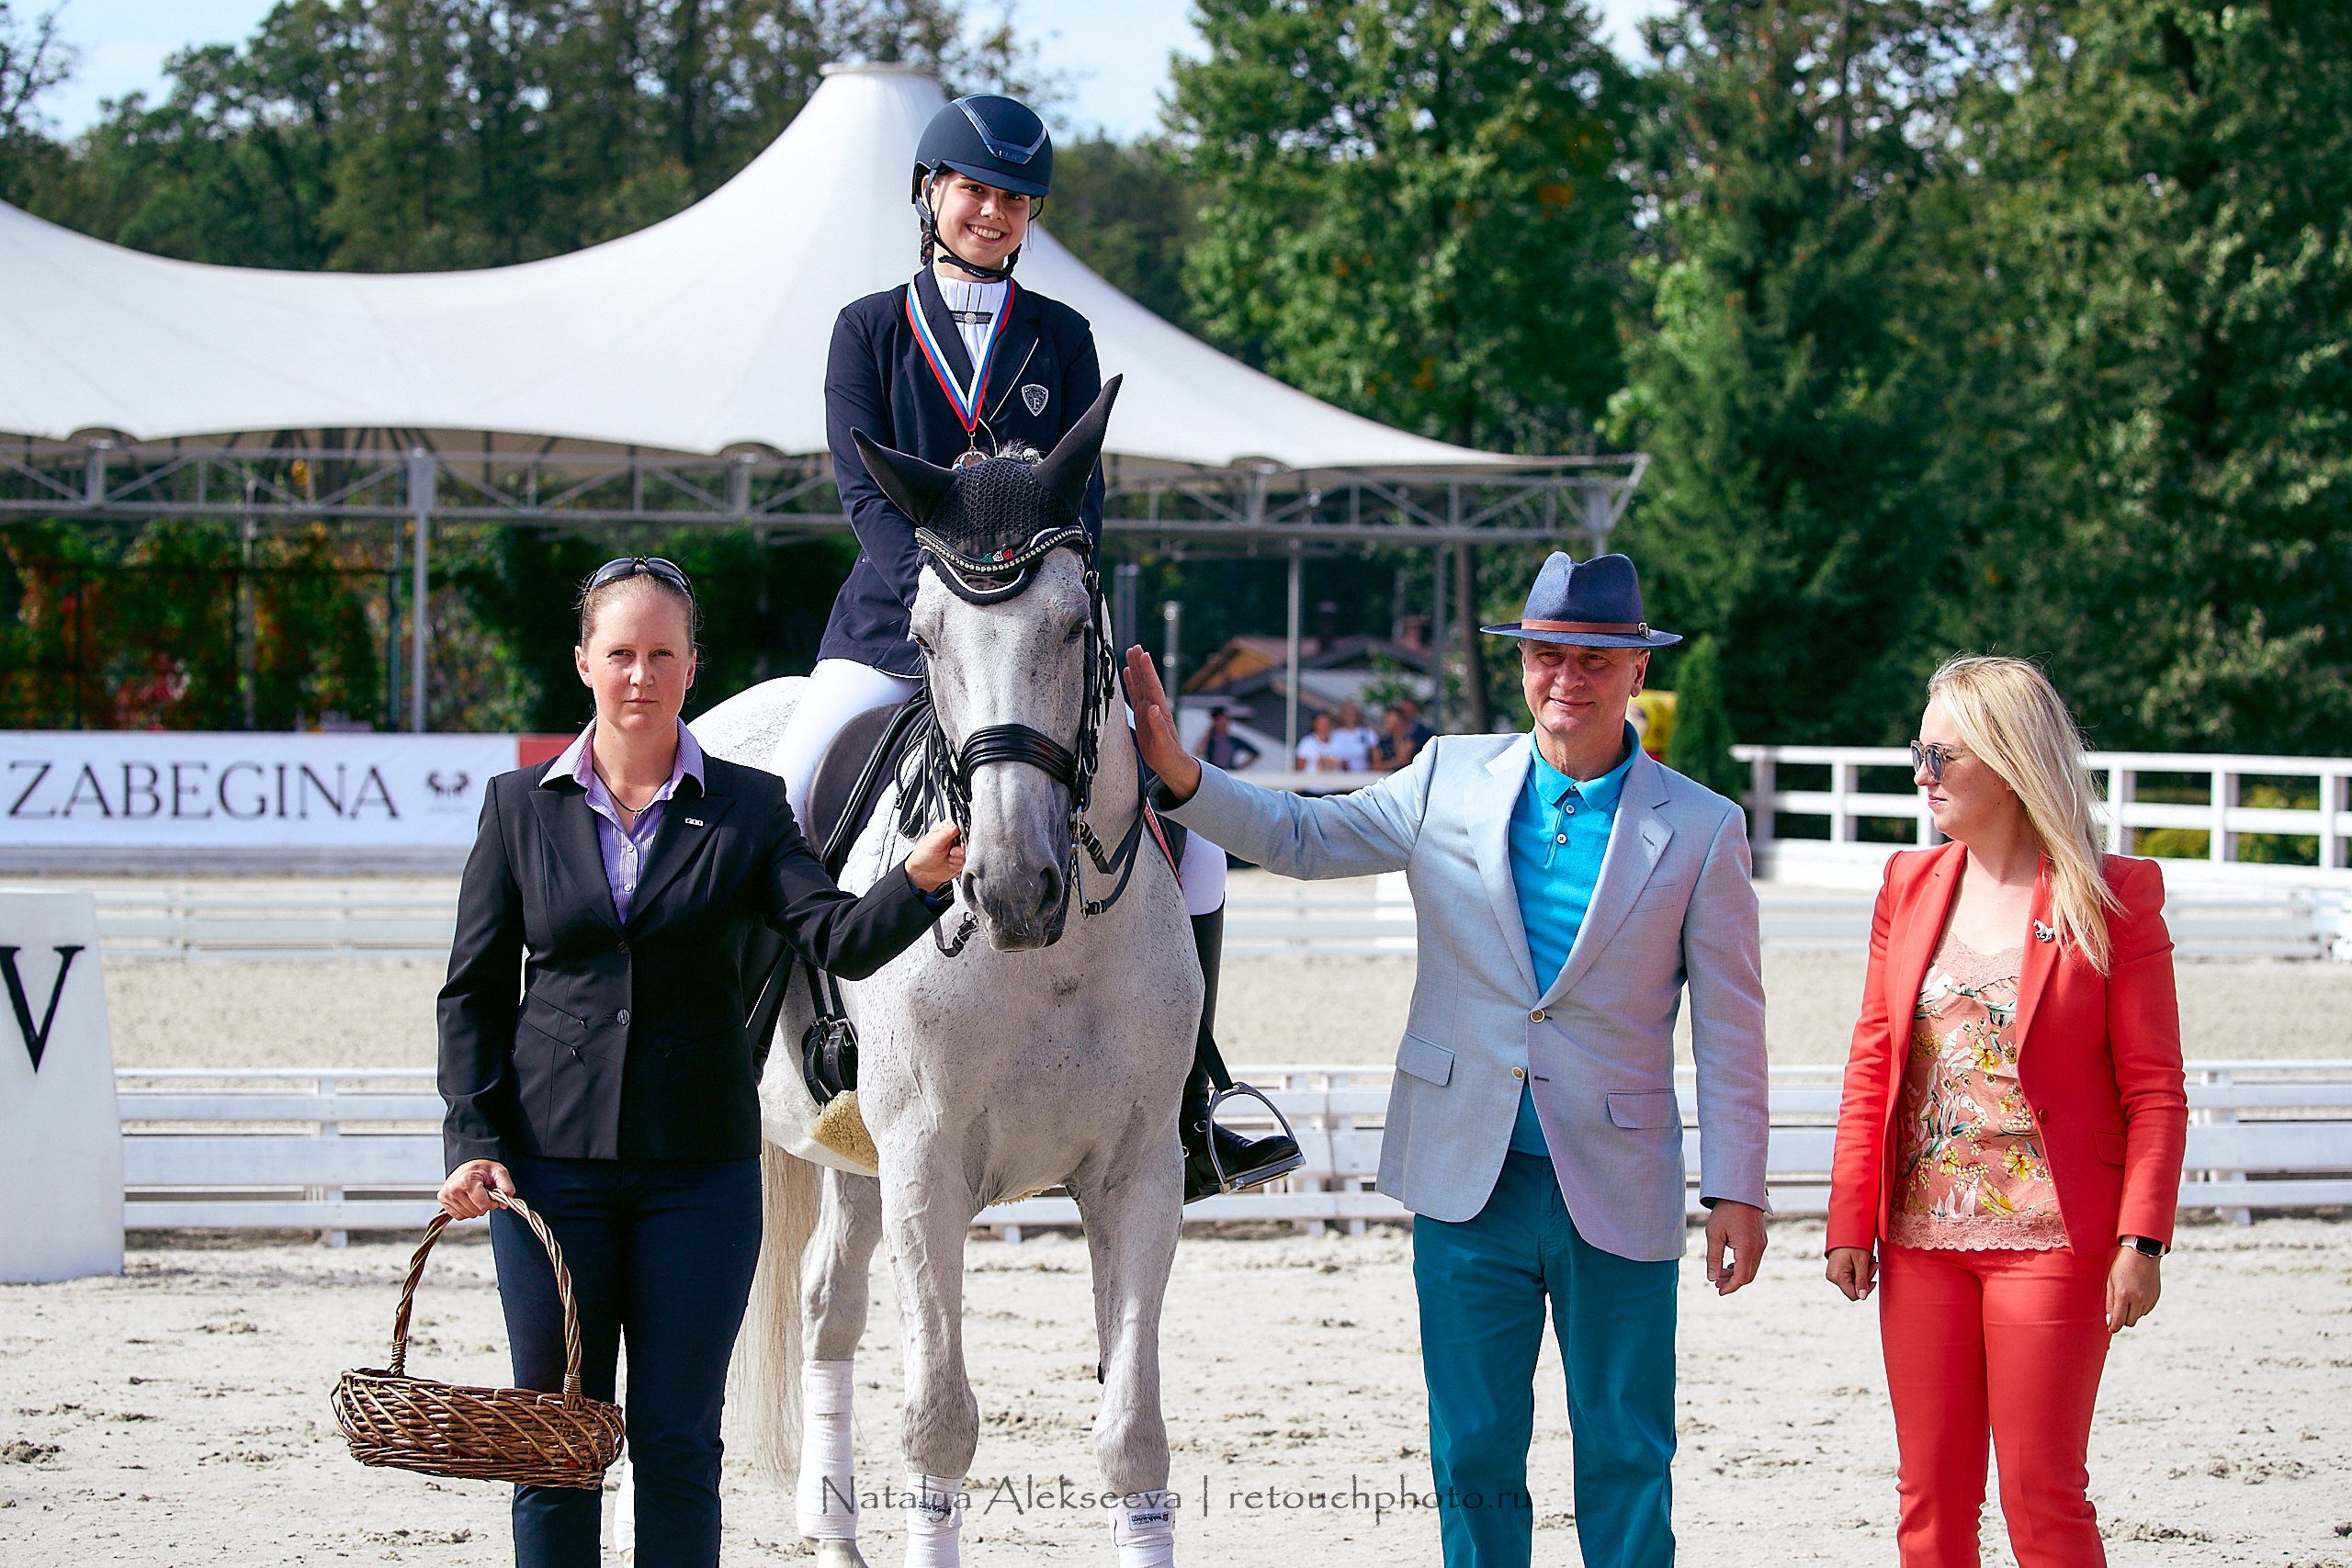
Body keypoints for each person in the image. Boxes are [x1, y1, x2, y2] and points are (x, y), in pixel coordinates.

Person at [1128, 551, 1770, 1568]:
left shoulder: (1700, 826)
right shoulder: (1445, 776)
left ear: (1637, 673)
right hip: (1466, 1175)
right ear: (1522, 665)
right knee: (1471, 1448)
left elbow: (1733, 1027)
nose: (1568, 677)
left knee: (1627, 1449)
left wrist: (1739, 1188)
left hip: (1618, 1178)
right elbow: (1302, 834)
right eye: (1547, 655)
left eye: (1595, 660)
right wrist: (1181, 776)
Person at [776, 91, 1294, 1201]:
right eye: (975, 191)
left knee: (1189, 841)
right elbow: (863, 493)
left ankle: (1198, 1093)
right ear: (931, 193)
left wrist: (1034, 609)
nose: (994, 212)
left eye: (1015, 199)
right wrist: (941, 594)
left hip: (1037, 643)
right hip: (891, 625)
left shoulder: (1063, 336)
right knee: (785, 791)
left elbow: (1082, 503)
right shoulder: (867, 327)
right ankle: (804, 1050)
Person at [435, 558, 966, 1568]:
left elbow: (836, 937)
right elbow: (472, 994)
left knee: (679, 1443)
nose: (641, 673)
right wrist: (473, 1139)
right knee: (555, 1441)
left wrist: (917, 883)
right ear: (584, 661)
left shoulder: (752, 808)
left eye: (662, 654)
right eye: (621, 652)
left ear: (690, 668)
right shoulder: (516, 808)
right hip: (549, 1175)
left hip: (701, 1177)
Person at [1824, 655, 2188, 1568]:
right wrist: (1846, 1222)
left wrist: (2140, 1244)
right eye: (1919, 753)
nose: (1921, 776)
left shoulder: (2114, 896)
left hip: (2054, 1248)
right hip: (1917, 1244)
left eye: (1940, 757)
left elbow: (2155, 1091)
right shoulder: (1906, 884)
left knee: (2042, 1498)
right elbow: (1873, 1062)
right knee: (1929, 1501)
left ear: (2008, 758)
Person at [1202, 705, 1259, 772]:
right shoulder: (1210, 739)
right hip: (1213, 772)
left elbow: (1255, 753)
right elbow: (1199, 751)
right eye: (1217, 720)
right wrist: (1208, 733)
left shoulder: (1233, 740)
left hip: (1228, 772)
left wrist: (1239, 768)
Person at [1294, 709, 1348, 773]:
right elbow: (1299, 769)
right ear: (1315, 724)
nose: (1324, 726)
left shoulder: (1339, 742)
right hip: (1313, 782)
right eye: (1321, 723)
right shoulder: (1306, 743)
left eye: (1326, 723)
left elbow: (1346, 767)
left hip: (1335, 782)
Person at [1335, 700, 1382, 772]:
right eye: (1348, 714)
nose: (1350, 717)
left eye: (1353, 714)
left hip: (1363, 776)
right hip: (1340, 777)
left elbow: (1376, 758)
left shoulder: (1368, 733)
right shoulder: (1335, 735)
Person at [1375, 704, 1419, 771]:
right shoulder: (1382, 742)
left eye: (1395, 722)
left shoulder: (1409, 741)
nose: (1393, 725)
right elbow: (1377, 765)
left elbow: (1403, 760)